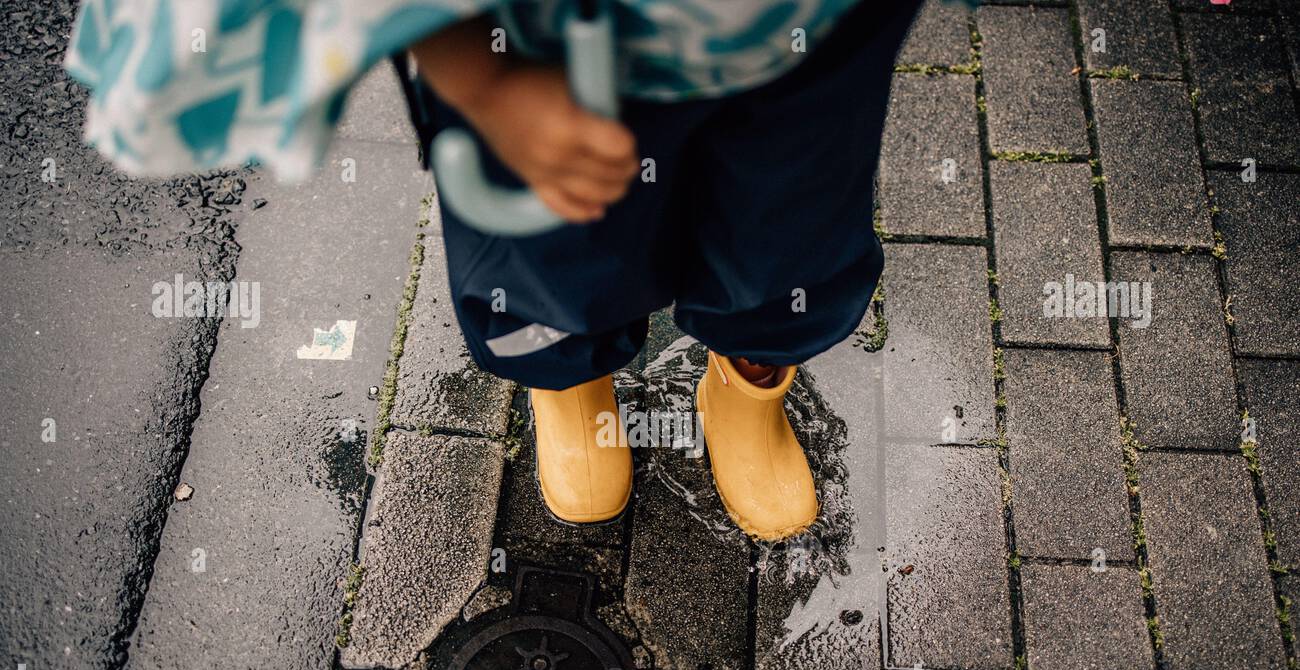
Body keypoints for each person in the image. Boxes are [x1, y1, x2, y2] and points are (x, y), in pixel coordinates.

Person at [66, 0, 926, 540]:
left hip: (811, 26)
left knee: (790, 232)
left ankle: (748, 386)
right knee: (550, 250)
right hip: (540, 36)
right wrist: (479, 79)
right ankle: (566, 385)